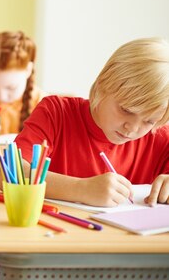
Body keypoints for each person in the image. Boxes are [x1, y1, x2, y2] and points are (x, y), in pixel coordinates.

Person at [14, 37, 169, 206]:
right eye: (127, 110)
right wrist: (81, 189)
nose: (132, 128)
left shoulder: (159, 137)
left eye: (149, 121)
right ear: (103, 84)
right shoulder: (55, 113)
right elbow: (13, 173)